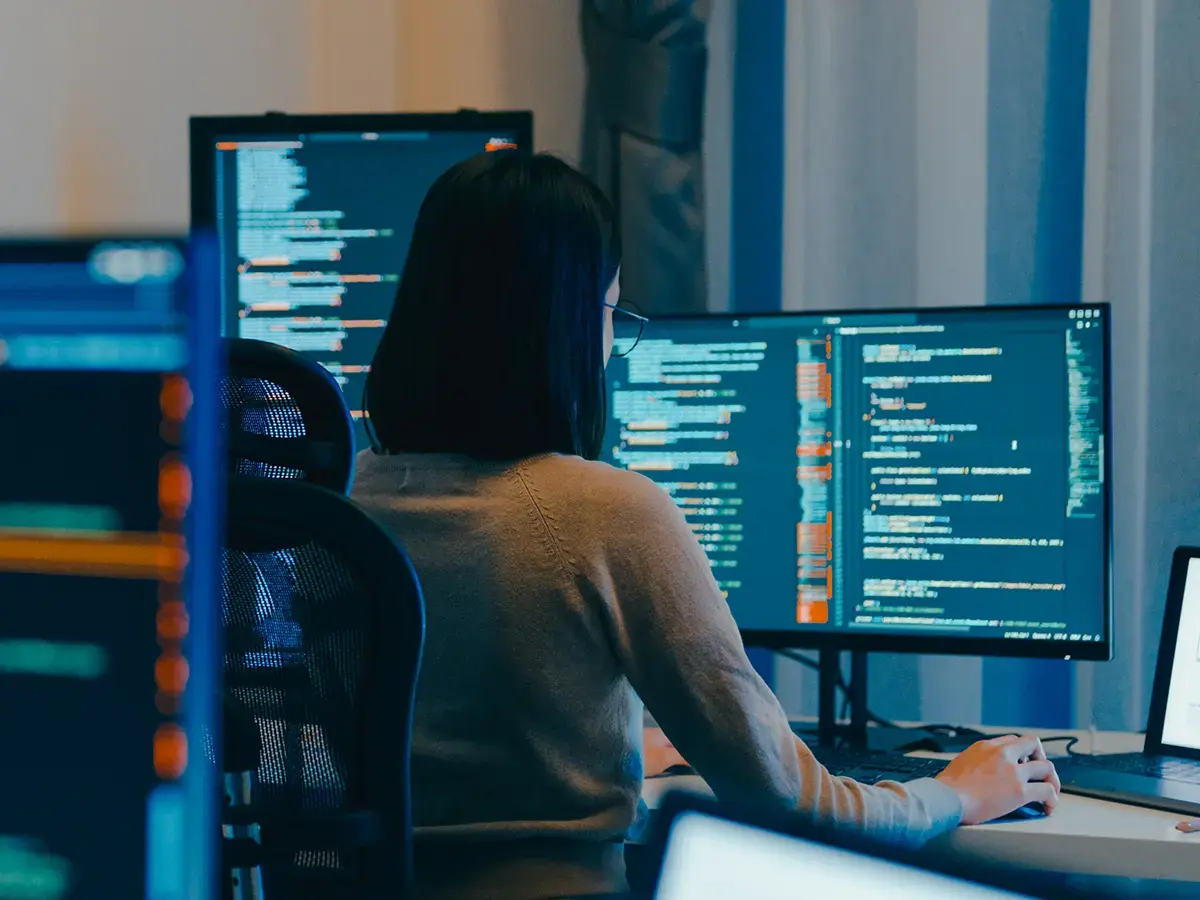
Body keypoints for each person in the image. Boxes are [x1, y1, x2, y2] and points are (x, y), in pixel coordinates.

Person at [354, 151, 1060, 899]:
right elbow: (792, 805)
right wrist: (958, 793)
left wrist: (621, 746)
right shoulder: (605, 511)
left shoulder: (340, 509)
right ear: (563, 326)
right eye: (609, 312)